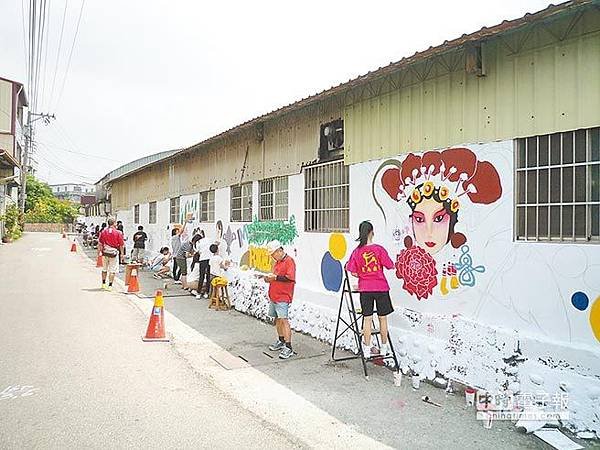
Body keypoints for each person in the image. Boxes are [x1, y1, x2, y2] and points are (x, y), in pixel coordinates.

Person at [345, 221, 395, 358]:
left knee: (367, 319)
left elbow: (352, 271)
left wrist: (362, 275)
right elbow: (390, 265)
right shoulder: (379, 249)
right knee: (382, 319)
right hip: (381, 287)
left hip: (365, 289)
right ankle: (384, 348)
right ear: (372, 232)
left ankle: (366, 350)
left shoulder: (356, 252)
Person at [263, 240, 296, 360]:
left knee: (283, 320)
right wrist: (268, 279)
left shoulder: (289, 261)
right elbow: (275, 277)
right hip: (274, 295)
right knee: (277, 319)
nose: (272, 256)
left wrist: (275, 277)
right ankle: (281, 340)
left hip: (283, 295)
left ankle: (288, 346)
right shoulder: (277, 263)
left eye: (273, 254)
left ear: (280, 251)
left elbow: (289, 278)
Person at [98, 218, 125, 291]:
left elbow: (100, 243)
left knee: (104, 269)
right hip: (113, 253)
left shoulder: (103, 232)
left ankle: (103, 284)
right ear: (114, 223)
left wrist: (100, 252)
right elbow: (121, 245)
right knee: (112, 270)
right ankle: (110, 286)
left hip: (105, 252)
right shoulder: (118, 232)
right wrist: (122, 254)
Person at [195, 230, 212, 299]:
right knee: (208, 276)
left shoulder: (198, 242)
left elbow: (198, 252)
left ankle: (199, 293)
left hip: (202, 259)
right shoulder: (209, 240)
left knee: (201, 276)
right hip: (210, 259)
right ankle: (206, 292)